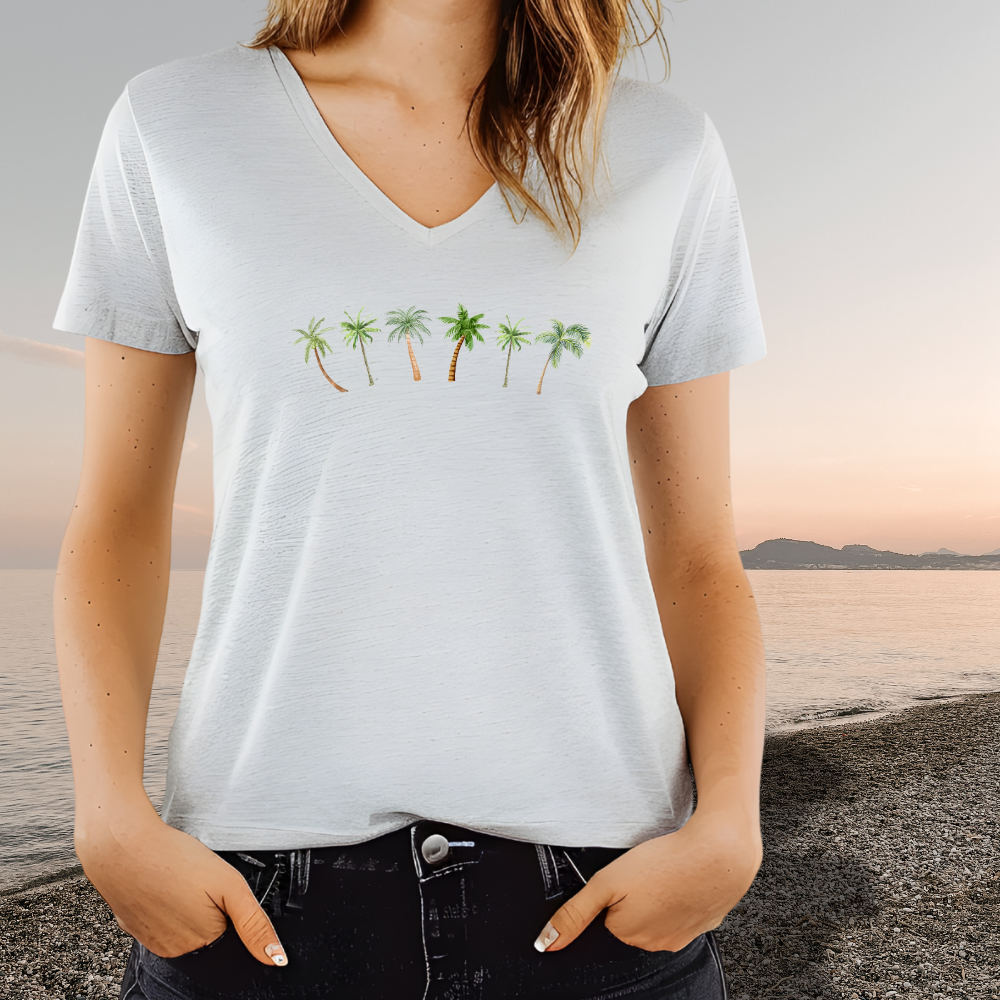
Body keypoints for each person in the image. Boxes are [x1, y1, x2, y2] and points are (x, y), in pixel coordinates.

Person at [54, 0, 767, 996]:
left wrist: (730, 821)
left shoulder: (663, 148)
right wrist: (108, 815)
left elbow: (696, 554)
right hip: (256, 895)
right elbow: (118, 517)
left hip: (600, 893)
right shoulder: (173, 124)